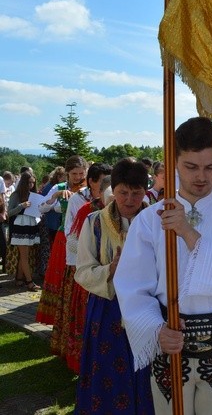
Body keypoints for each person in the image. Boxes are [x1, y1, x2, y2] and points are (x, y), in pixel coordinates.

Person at [114, 117, 212, 414]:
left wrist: (188, 232)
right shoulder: (148, 220)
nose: (201, 177)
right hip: (170, 342)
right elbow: (132, 285)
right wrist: (156, 328)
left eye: (210, 167)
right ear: (173, 161)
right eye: (191, 167)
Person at [74, 159, 154, 415]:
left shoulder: (157, 221)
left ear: (145, 191)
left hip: (148, 309)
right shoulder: (94, 223)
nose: (129, 199)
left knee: (146, 373)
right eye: (123, 192)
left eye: (136, 192)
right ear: (112, 190)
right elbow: (83, 272)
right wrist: (111, 270)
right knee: (108, 374)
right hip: (108, 311)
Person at [51, 162, 111, 365]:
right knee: (78, 309)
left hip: (102, 268)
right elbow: (72, 234)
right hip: (82, 263)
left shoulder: (106, 205)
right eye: (103, 182)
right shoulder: (83, 203)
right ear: (93, 182)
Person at [36, 155, 87, 325]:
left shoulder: (89, 188)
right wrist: (56, 195)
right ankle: (59, 317)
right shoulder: (60, 187)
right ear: (67, 173)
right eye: (74, 174)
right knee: (61, 277)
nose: (79, 177)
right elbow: (41, 208)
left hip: (85, 238)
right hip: (63, 238)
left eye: (81, 173)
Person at [7, 171, 41, 291]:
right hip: (19, 227)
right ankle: (29, 282)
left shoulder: (33, 194)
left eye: (33, 182)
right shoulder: (16, 194)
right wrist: (21, 206)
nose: (31, 185)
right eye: (29, 182)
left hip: (30, 226)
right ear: (23, 182)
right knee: (24, 255)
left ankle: (19, 278)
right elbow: (9, 213)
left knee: (24, 255)